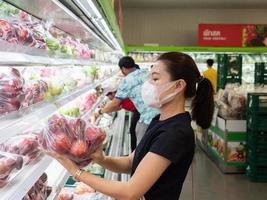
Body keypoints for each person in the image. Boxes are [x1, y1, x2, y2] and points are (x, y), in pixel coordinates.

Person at [46, 52, 214, 200]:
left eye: (155, 78)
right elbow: (130, 162)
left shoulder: (176, 133)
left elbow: (130, 191)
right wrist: (101, 159)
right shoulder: (159, 120)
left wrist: (76, 172)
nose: (147, 85)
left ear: (178, 86)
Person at [94, 56, 159, 144]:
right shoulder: (146, 72)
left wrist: (100, 112)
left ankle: (137, 156)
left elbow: (114, 104)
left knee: (142, 144)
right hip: (162, 112)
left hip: (147, 118)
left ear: (123, 68)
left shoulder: (126, 81)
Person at [104, 80, 140, 152]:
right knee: (132, 130)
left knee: (134, 131)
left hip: (139, 111)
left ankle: (135, 152)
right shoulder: (120, 94)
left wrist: (99, 112)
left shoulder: (119, 96)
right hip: (137, 110)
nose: (109, 98)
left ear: (113, 93)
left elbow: (113, 107)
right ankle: (134, 151)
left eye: (109, 96)